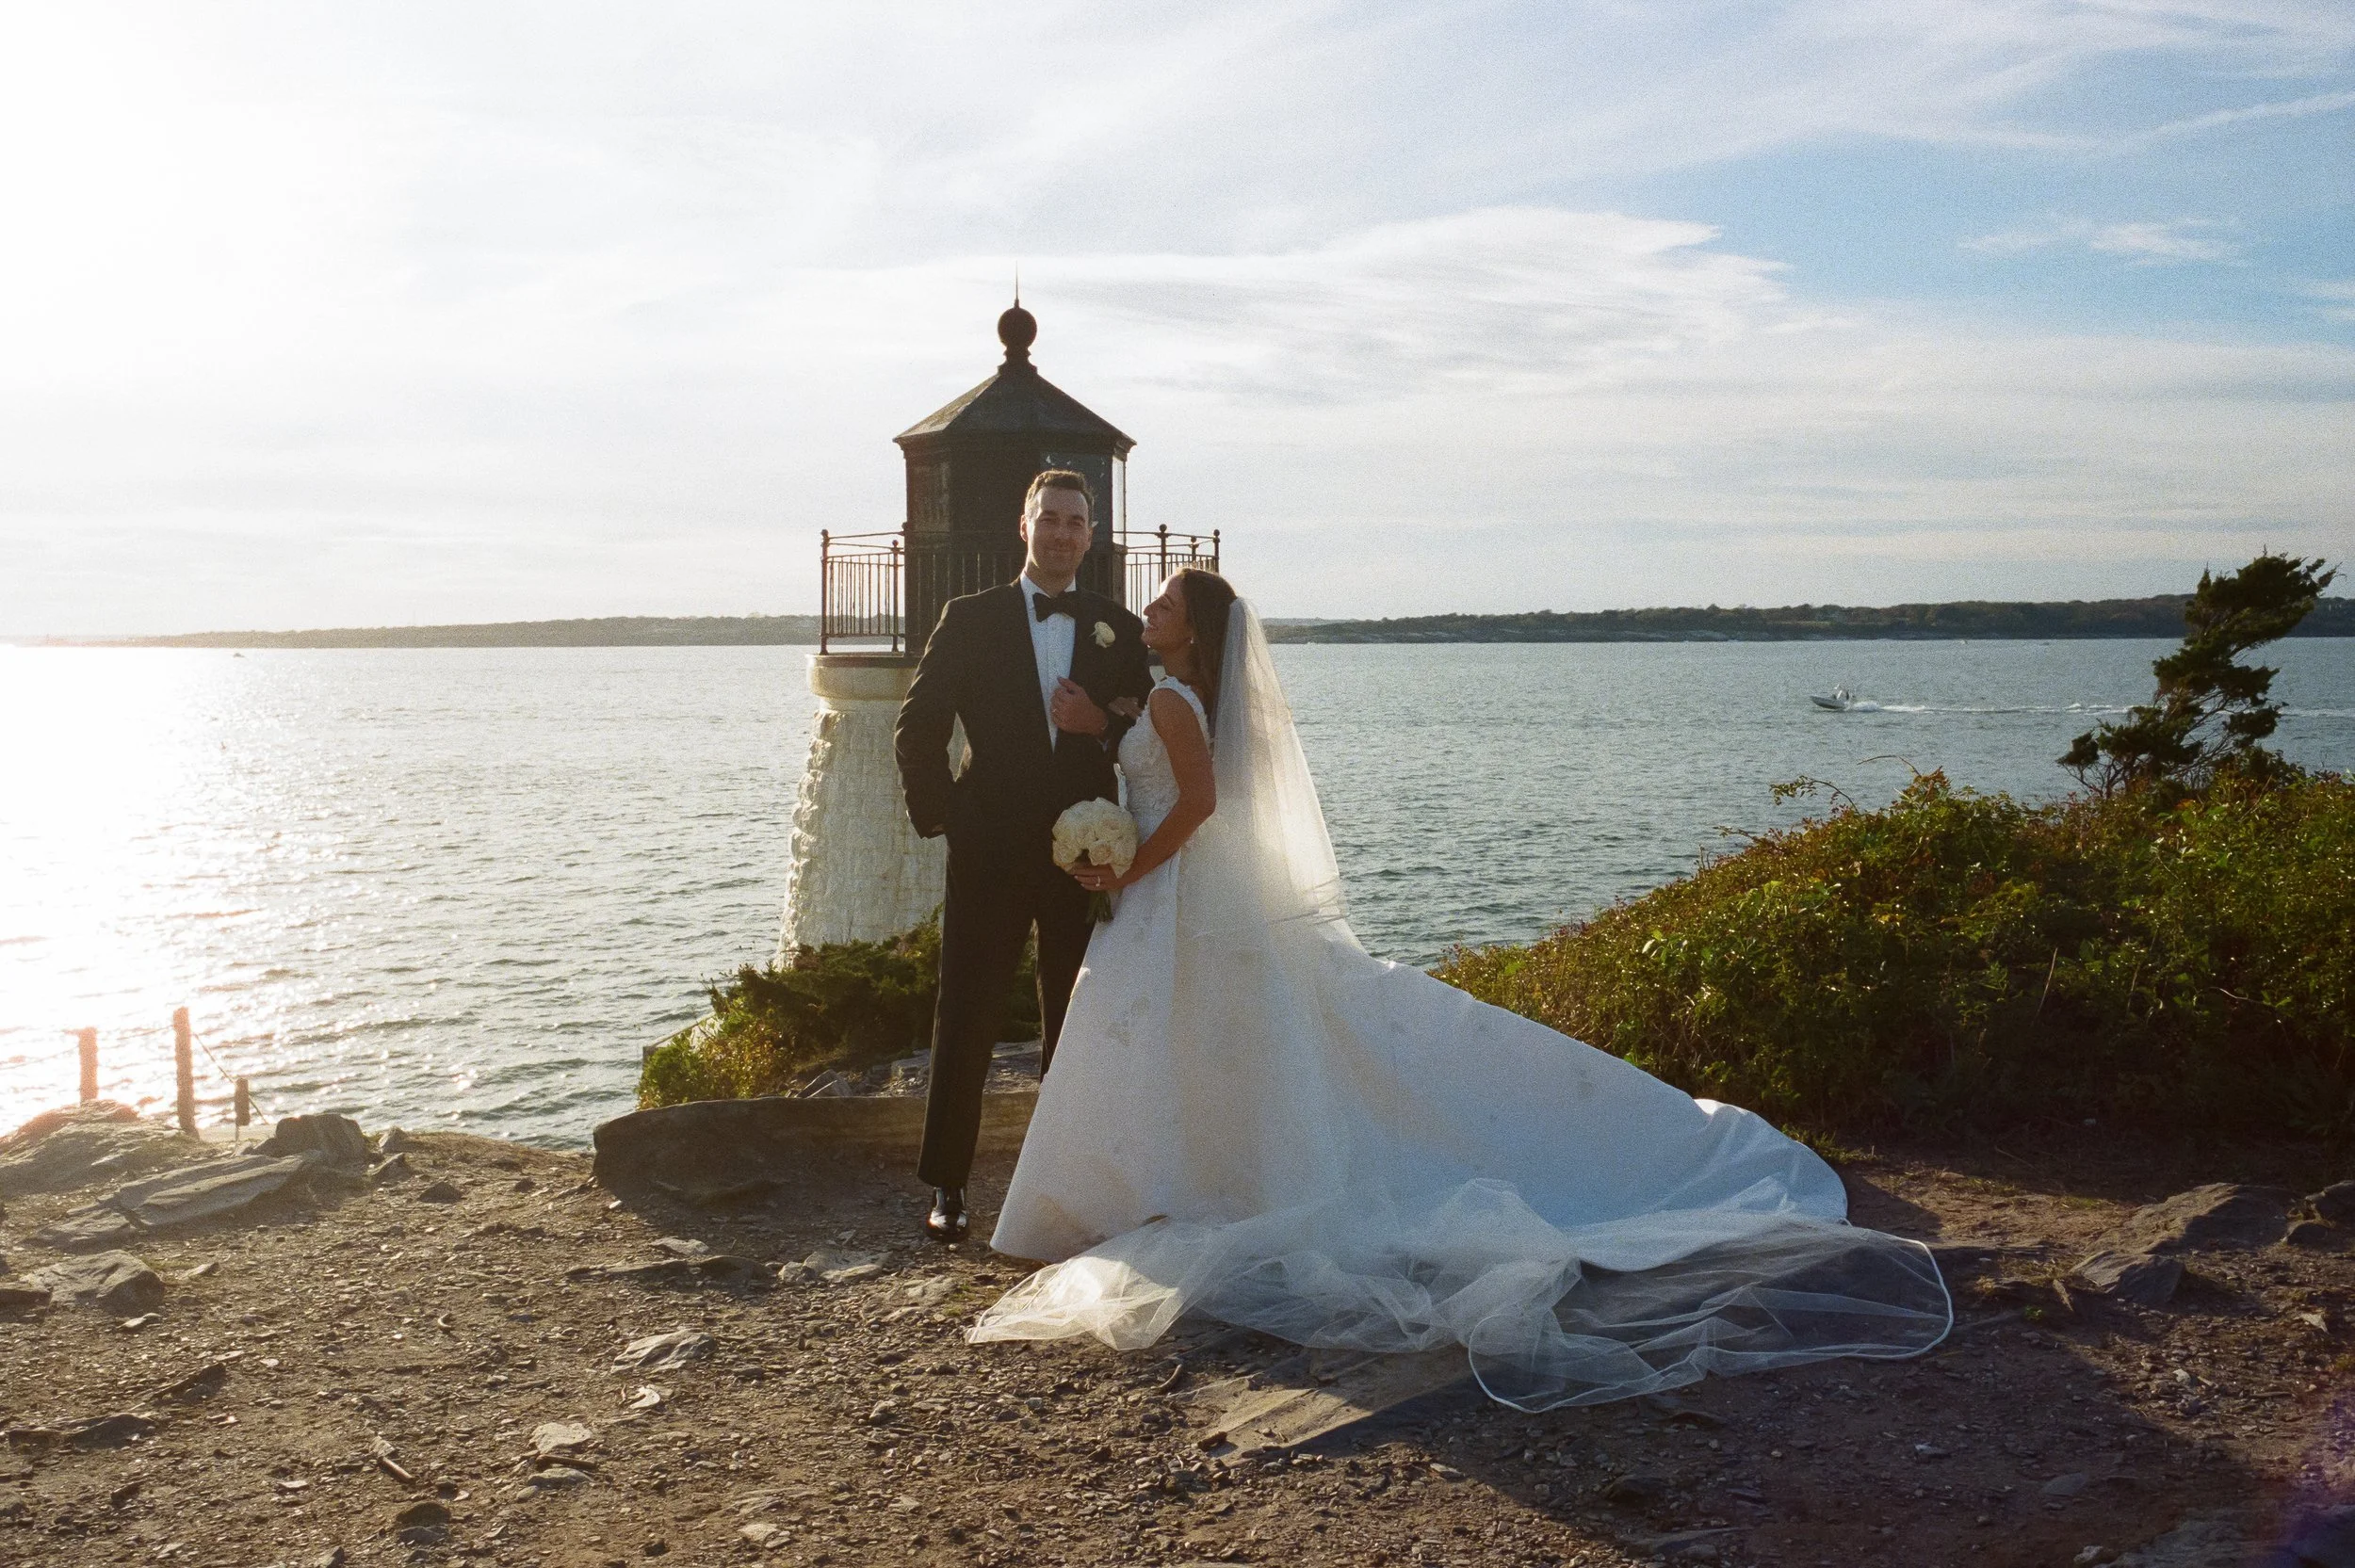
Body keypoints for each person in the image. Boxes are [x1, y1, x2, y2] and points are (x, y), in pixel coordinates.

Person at [973, 571, 1953, 1410]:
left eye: (1168, 600)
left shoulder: (1177, 702)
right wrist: (1103, 726)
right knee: (1205, 1044)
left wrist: (1123, 869)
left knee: (1184, 1042)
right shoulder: (1170, 699)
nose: (1150, 605)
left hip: (1169, 892)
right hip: (1181, 900)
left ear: (1197, 628)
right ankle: (1157, 1188)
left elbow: (1194, 803)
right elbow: (1165, 763)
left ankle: (1143, 1191)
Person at [893, 471, 1156, 1242]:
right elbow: (917, 726)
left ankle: (1066, 1181)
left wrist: (1095, 728)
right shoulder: (968, 618)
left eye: (1077, 521)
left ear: (1092, 533)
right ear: (1023, 523)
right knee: (966, 1012)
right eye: (1050, 518)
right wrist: (948, 817)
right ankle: (946, 1183)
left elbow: (1143, 738)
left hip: (1084, 851)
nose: (1062, 533)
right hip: (988, 851)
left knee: (1074, 1018)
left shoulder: (1118, 627)